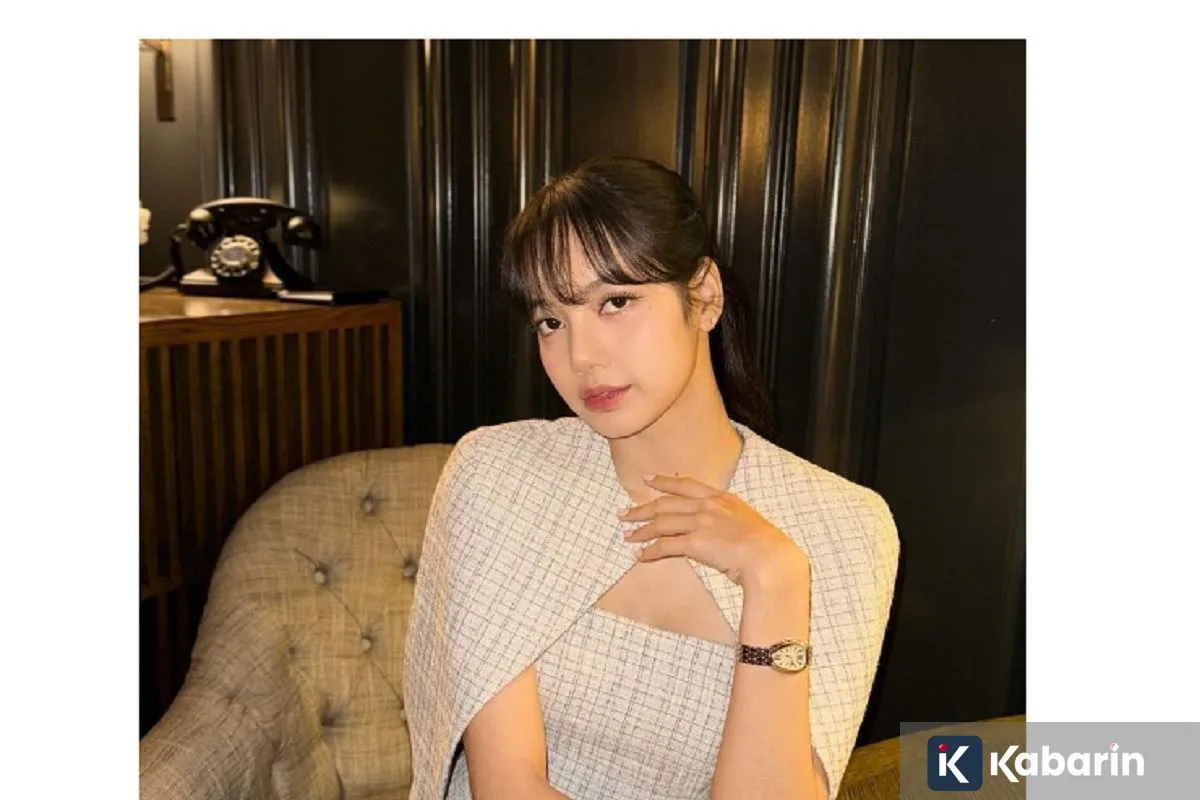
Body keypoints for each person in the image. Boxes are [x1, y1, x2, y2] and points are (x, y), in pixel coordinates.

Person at [402, 156, 900, 800]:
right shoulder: (501, 477)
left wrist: (774, 579)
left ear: (705, 296)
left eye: (615, 302)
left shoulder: (846, 527)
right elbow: (508, 787)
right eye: (551, 321)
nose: (582, 356)